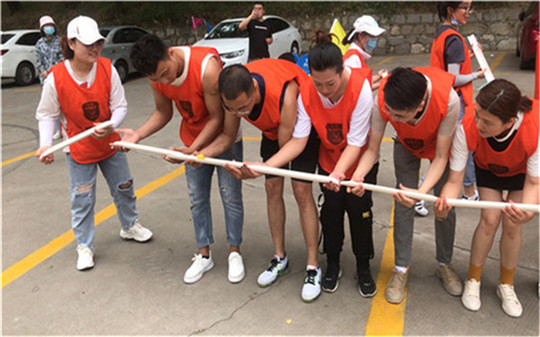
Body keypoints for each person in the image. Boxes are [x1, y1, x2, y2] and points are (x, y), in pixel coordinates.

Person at [230, 31, 378, 300]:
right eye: (318, 83)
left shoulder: (361, 89)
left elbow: (357, 142)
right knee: (329, 211)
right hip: (329, 158)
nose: (324, 90)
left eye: (330, 84)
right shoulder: (307, 92)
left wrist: (339, 173)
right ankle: (320, 262)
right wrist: (264, 167)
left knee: (356, 211)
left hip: (357, 163)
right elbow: (298, 141)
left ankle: (353, 266)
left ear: (342, 71)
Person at [120, 34, 245, 284]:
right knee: (197, 199)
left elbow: (217, 118)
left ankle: (234, 252)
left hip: (223, 139)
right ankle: (203, 254)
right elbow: (163, 112)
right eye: (157, 79)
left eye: (166, 73)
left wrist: (194, 150)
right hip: (192, 139)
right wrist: (138, 134)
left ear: (171, 53)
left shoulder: (206, 68)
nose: (165, 81)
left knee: (230, 196)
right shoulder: (157, 77)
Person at [35, 15, 153, 271]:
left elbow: (119, 105)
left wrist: (110, 124)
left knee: (124, 187)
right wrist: (46, 144)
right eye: (88, 43)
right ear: (72, 44)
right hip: (78, 149)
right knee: (82, 199)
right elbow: (47, 114)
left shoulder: (107, 68)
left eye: (97, 42)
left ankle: (130, 225)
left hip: (109, 144)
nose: (95, 48)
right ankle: (84, 245)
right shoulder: (56, 78)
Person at [198, 58, 321, 301]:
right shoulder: (233, 98)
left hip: (300, 130)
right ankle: (279, 258)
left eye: (243, 108)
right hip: (273, 129)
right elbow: (227, 136)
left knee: (300, 190)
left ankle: (312, 266)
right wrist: (198, 154)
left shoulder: (284, 93)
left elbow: (287, 146)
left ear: (254, 89)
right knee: (272, 187)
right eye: (232, 109)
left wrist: (261, 168)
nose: (239, 113)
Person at [350, 67, 462, 304]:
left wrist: (421, 194)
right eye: (390, 113)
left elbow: (441, 157)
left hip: (438, 145)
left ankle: (444, 263)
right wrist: (358, 176)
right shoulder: (383, 99)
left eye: (399, 116)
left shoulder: (448, 100)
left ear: (420, 106)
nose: (393, 118)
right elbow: (372, 149)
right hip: (406, 144)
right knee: (402, 204)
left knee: (444, 204)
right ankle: (401, 268)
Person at [435, 79, 539, 318]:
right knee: (490, 219)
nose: (478, 123)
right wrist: (444, 205)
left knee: (513, 223)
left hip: (522, 171)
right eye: (478, 114)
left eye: (487, 122)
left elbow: (534, 183)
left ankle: (506, 284)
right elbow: (454, 180)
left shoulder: (534, 128)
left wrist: (529, 212)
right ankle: (474, 279)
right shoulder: (467, 124)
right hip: (488, 167)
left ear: (510, 122)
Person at [431, 1, 486, 201]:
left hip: (444, 98)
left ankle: (468, 189)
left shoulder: (443, 33)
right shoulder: (453, 38)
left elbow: (450, 65)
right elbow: (453, 78)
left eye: (470, 7)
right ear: (450, 10)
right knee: (462, 145)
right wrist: (477, 75)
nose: (468, 12)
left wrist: (468, 55)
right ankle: (468, 191)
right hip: (455, 101)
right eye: (464, 7)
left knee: (447, 149)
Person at [35, 15, 64, 140]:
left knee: (64, 103)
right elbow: (38, 60)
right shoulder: (39, 44)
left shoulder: (59, 41)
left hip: (60, 76)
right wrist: (42, 71)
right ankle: (58, 129)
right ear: (42, 28)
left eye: (51, 26)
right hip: (46, 79)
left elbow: (63, 57)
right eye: (46, 26)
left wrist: (57, 69)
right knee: (52, 105)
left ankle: (66, 127)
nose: (49, 28)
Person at [342, 15, 387, 90]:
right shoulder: (353, 59)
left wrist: (378, 76)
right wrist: (382, 84)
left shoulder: (359, 55)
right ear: (361, 36)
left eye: (376, 37)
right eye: (372, 36)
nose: (375, 40)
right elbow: (358, 88)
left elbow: (363, 81)